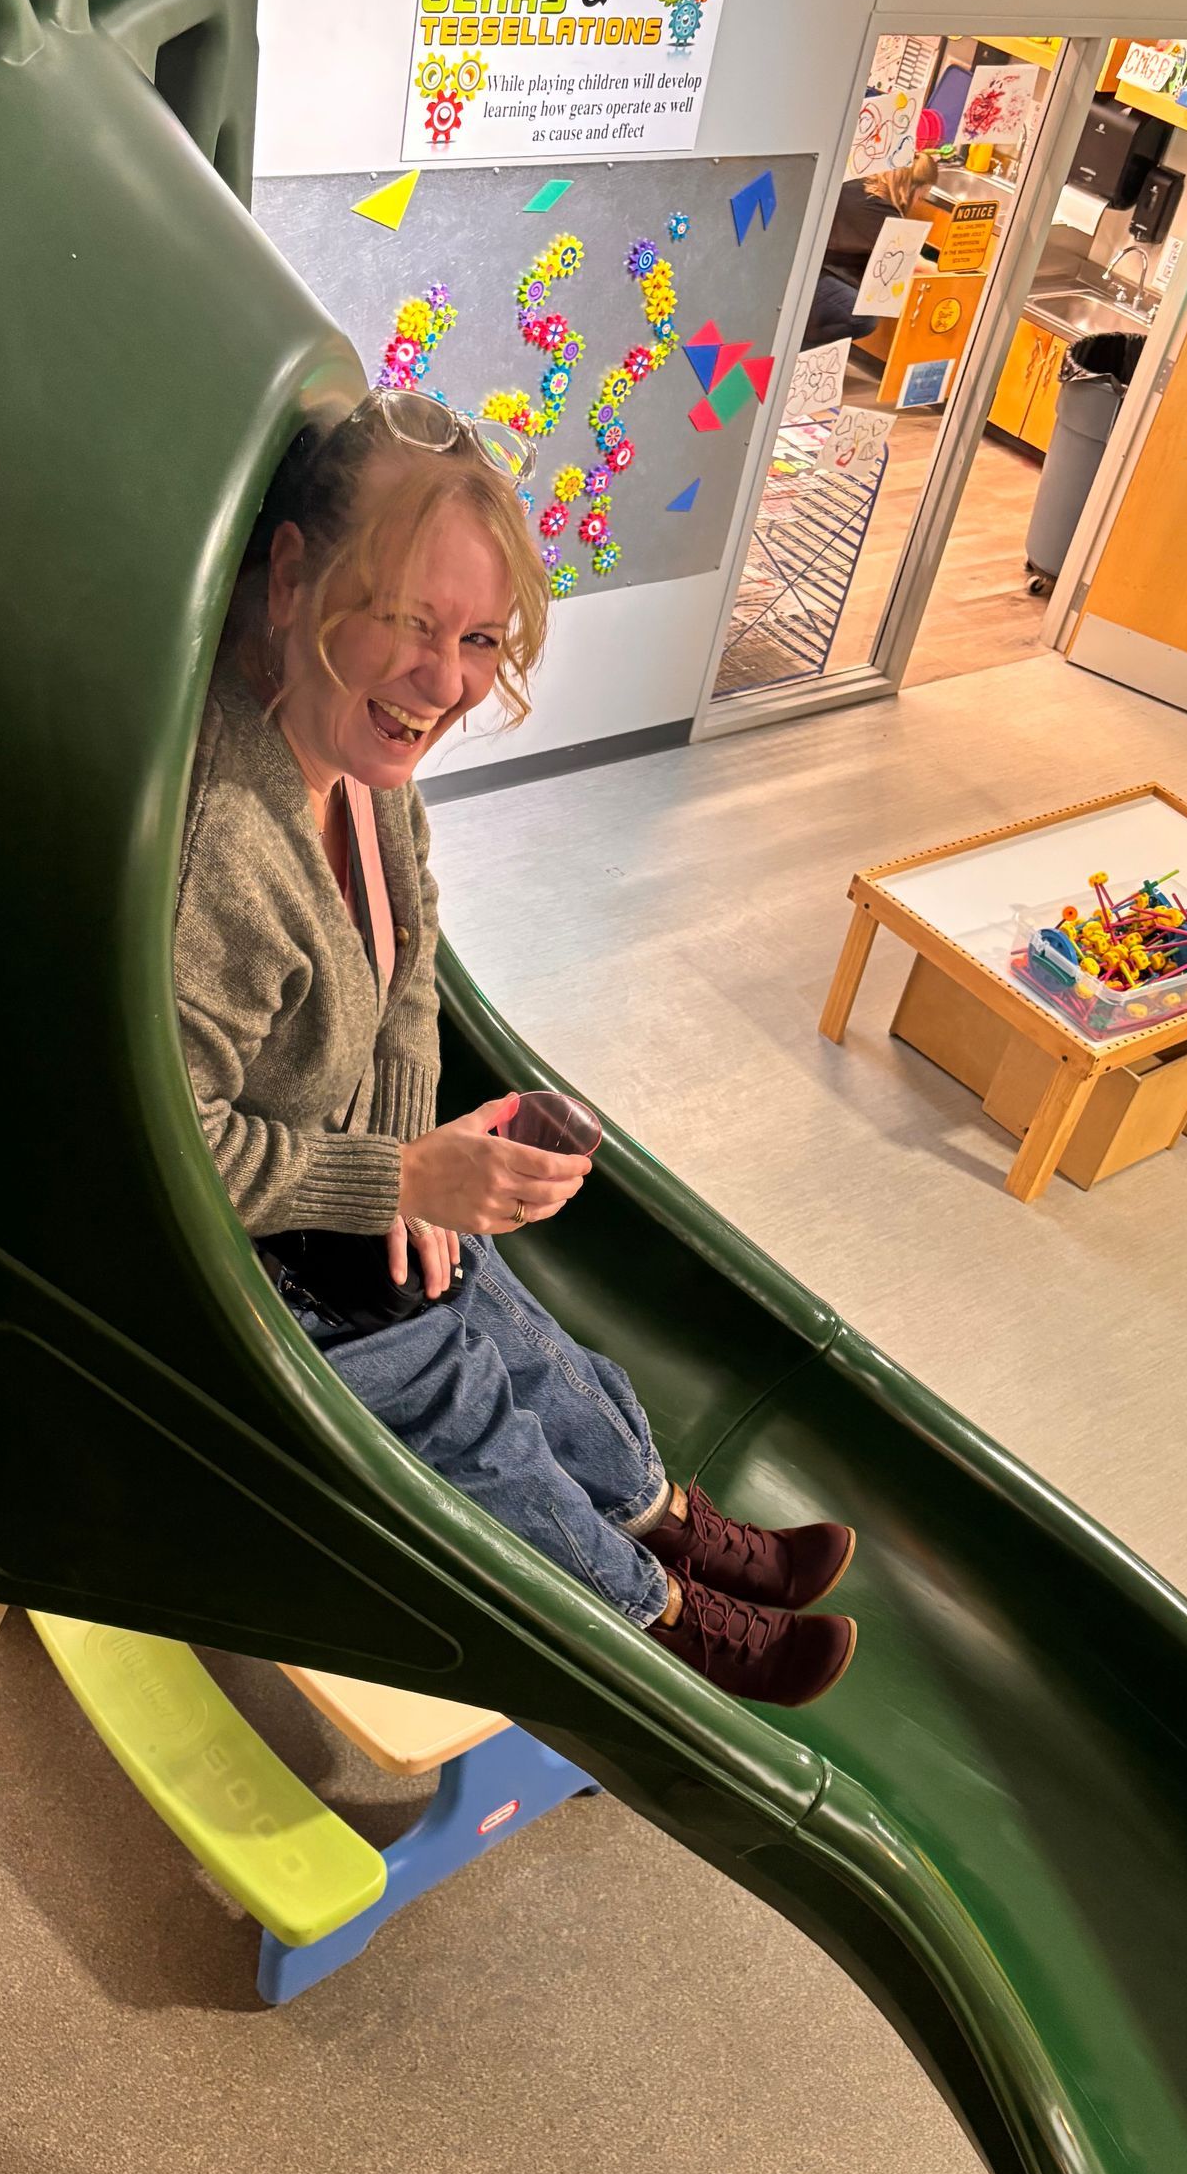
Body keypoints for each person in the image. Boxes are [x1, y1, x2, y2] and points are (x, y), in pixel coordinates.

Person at [174, 390, 860, 1708]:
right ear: (292, 576)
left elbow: (410, 964)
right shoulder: (227, 843)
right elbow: (170, 1140)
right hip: (252, 1266)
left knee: (525, 1340)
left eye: (481, 637)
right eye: (410, 621)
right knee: (462, 1410)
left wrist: (415, 1169)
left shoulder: (369, 776)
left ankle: (662, 1511)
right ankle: (652, 1607)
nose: (447, 681)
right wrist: (398, 1187)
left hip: (348, 1185)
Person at [802, 152, 939, 350]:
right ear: (911, 188)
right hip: (815, 277)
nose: (918, 201)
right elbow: (911, 261)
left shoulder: (856, 187)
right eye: (921, 195)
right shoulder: (880, 212)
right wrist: (946, 272)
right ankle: (795, 352)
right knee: (862, 319)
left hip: (806, 267)